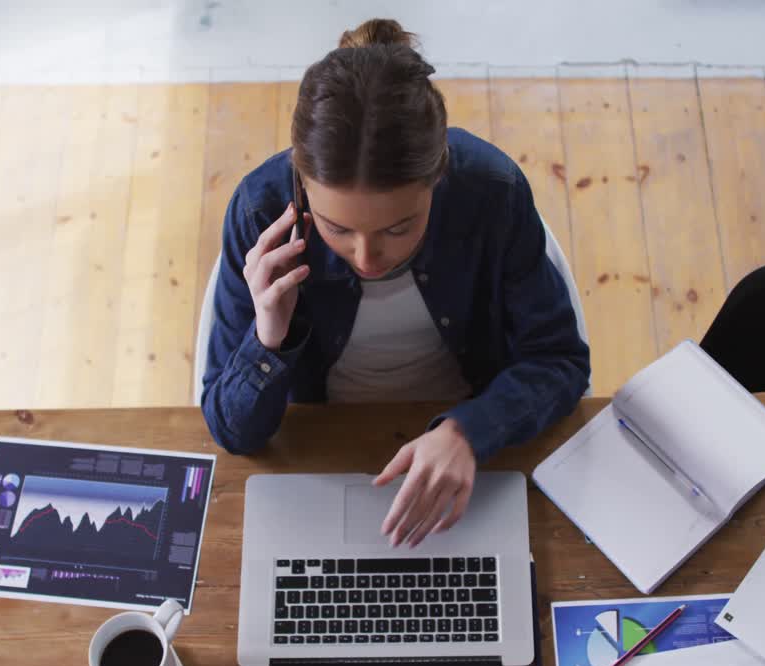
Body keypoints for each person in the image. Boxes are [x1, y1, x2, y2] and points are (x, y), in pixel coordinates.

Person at [201, 19, 589, 549]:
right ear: (302, 179)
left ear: (439, 176)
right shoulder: (260, 208)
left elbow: (560, 361)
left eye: (399, 227)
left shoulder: (492, 193)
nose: (367, 257)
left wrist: (468, 430)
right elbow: (232, 431)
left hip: (466, 440)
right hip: (326, 445)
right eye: (337, 229)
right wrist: (269, 335)